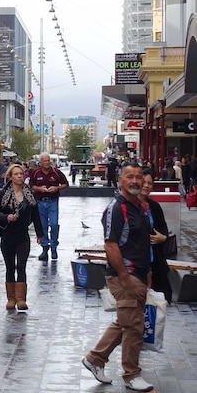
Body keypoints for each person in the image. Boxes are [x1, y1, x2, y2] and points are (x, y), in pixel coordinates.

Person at [82, 163, 154, 392]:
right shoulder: (117, 208)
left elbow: (141, 242)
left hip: (139, 274)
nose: (135, 181)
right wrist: (125, 276)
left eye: (139, 177)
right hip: (126, 275)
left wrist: (148, 271)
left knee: (125, 321)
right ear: (120, 180)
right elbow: (110, 245)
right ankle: (131, 375)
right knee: (134, 326)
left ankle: (95, 358)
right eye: (130, 177)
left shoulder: (139, 207)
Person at [0, 164, 42, 311]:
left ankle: (21, 299)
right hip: (7, 234)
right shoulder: (3, 194)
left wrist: (40, 234)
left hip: (22, 235)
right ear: (11, 176)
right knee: (9, 267)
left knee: (21, 266)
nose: (20, 176)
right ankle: (11, 298)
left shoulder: (29, 194)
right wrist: (6, 217)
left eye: (21, 174)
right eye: (16, 174)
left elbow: (36, 214)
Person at [138, 174, 173, 303]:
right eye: (144, 182)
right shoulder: (129, 206)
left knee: (159, 301)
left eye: (150, 183)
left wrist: (162, 238)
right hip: (137, 263)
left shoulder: (154, 206)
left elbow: (164, 228)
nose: (146, 186)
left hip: (155, 260)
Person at [28, 152, 69, 262]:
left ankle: (54, 246)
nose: (47, 163)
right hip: (40, 201)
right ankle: (45, 248)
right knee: (43, 226)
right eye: (45, 161)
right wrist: (39, 189)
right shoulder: (36, 173)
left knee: (54, 224)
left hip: (52, 201)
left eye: (48, 160)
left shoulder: (56, 172)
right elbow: (31, 185)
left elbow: (65, 184)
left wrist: (56, 188)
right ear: (40, 162)